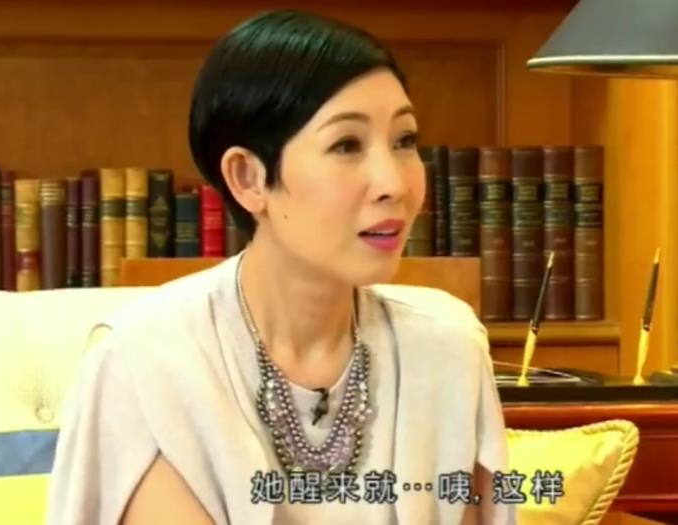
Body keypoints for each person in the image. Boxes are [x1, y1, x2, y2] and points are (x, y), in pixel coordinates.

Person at [45, 9, 515, 525]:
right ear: (248, 178)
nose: (395, 183)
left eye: (404, 140)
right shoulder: (149, 362)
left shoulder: (447, 349)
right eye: (346, 145)